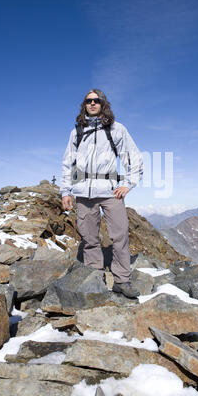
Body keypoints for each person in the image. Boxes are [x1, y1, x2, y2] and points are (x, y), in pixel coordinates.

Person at [60, 89, 144, 298]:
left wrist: (129, 183)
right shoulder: (77, 131)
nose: (92, 103)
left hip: (110, 192)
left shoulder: (116, 129)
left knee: (120, 235)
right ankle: (95, 278)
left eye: (96, 100)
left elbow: (134, 157)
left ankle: (122, 281)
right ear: (84, 105)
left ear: (103, 103)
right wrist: (65, 191)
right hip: (83, 193)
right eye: (89, 101)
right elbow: (67, 164)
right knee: (89, 238)